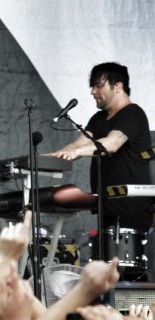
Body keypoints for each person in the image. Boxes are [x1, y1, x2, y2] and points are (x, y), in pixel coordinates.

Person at [50, 62, 153, 233]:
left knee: (119, 260)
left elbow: (111, 144)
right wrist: (48, 158)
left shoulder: (133, 113)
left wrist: (77, 152)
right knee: (104, 258)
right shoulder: (98, 118)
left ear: (118, 86)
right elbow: (77, 144)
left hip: (131, 207)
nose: (92, 92)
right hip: (107, 206)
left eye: (98, 86)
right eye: (92, 87)